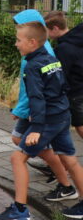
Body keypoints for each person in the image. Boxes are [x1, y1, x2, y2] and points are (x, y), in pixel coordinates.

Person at [0, 21, 83, 220]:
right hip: (62, 115)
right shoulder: (51, 58)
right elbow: (63, 87)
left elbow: (37, 98)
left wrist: (37, 128)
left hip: (49, 121)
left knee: (17, 159)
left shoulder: (32, 66)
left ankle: (19, 210)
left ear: (32, 42)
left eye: (19, 40)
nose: (16, 44)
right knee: (69, 159)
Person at [11, 10, 66, 186]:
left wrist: (21, 110)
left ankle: (60, 175)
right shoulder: (44, 49)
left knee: (20, 141)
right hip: (47, 109)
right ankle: (61, 175)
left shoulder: (34, 58)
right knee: (23, 140)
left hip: (39, 110)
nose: (17, 43)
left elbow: (35, 91)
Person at [45, 10, 83, 139]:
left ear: (55, 28)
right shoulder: (77, 39)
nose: (47, 35)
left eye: (47, 31)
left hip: (76, 92)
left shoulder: (63, 49)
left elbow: (61, 75)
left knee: (80, 126)